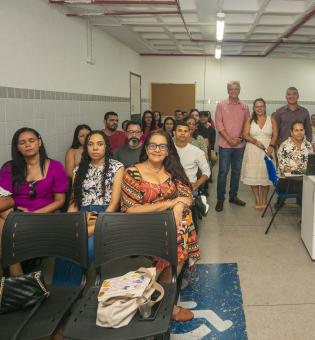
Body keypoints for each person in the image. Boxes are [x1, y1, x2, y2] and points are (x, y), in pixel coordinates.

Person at [121, 129, 200, 322]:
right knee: (178, 242)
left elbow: (187, 194)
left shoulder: (173, 171)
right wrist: (169, 204)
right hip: (144, 226)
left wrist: (179, 205)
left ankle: (150, 294)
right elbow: (130, 209)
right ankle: (156, 298)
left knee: (178, 235)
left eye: (162, 146)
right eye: (153, 145)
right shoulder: (133, 172)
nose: (157, 149)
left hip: (172, 227)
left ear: (168, 151)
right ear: (146, 148)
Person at [54, 131, 124, 285]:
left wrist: (94, 224)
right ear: (86, 147)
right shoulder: (78, 170)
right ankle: (56, 292)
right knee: (62, 249)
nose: (95, 148)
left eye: (100, 144)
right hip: (82, 215)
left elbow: (114, 204)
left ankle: (72, 294)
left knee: (85, 249)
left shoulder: (117, 167)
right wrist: (69, 223)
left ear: (106, 146)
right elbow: (73, 202)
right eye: (90, 144)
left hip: (105, 215)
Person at [0, 128, 68, 276]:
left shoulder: (55, 166)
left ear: (39, 142)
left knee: (2, 230)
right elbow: (3, 198)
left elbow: (60, 201)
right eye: (22, 143)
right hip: (13, 214)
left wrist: (33, 214)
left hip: (42, 216)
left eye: (31, 141)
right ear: (17, 147)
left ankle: (12, 285)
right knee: (3, 225)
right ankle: (17, 281)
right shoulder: (9, 168)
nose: (27, 145)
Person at [215, 81, 250, 212]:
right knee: (223, 173)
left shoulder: (245, 107)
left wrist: (240, 138)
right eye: (231, 89)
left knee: (236, 173)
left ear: (239, 91)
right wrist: (229, 139)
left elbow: (247, 124)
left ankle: (233, 196)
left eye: (236, 89)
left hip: (239, 145)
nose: (233, 91)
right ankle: (220, 199)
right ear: (228, 91)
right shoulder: (221, 105)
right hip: (225, 145)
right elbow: (219, 125)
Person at [241, 98, 278, 210]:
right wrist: (255, 142)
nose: (259, 109)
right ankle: (257, 199)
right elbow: (245, 135)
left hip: (267, 150)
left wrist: (271, 146)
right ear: (254, 108)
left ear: (265, 107)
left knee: (265, 176)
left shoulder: (271, 119)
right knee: (254, 176)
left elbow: (275, 135)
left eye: (261, 106)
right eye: (257, 106)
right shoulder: (249, 120)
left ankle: (264, 199)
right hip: (252, 150)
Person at [277, 121, 314, 195]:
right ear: (291, 132)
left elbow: (313, 165)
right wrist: (304, 179)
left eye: (301, 130)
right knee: (313, 189)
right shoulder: (285, 146)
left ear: (305, 131)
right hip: (287, 180)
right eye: (296, 130)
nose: (299, 133)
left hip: (305, 179)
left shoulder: (308, 145)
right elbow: (286, 171)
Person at [174, 122, 210, 196]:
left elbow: (206, 171)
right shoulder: (167, 150)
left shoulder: (197, 151)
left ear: (189, 134)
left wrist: (197, 184)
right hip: (170, 186)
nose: (183, 133)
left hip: (188, 187)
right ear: (174, 133)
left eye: (185, 131)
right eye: (180, 131)